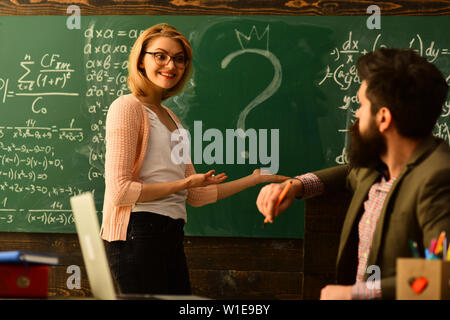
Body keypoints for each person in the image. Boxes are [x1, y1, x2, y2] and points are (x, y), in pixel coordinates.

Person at [100, 23, 288, 295]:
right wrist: (183, 183)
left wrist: (254, 179)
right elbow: (120, 192)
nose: (171, 65)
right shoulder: (127, 107)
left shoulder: (173, 120)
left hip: (171, 235)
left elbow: (196, 196)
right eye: (160, 55)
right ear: (141, 60)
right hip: (137, 234)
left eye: (179, 59)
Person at [256, 48, 450, 299]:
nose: (356, 114)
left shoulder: (438, 180)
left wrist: (355, 294)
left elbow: (442, 277)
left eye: (361, 105)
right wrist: (296, 185)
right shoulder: (379, 167)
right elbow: (350, 173)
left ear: (383, 118)